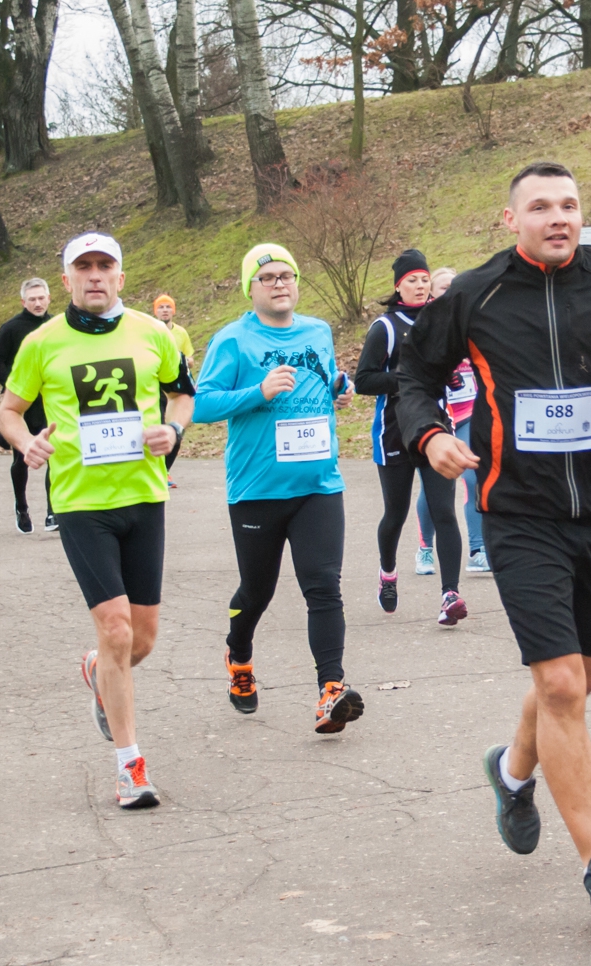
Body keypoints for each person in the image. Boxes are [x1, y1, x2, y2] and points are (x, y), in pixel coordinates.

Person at [396, 162, 591, 926]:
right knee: (562, 685)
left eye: (569, 205)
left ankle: (511, 770)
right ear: (512, 220)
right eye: (541, 207)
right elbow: (413, 375)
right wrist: (430, 434)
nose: (558, 217)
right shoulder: (475, 292)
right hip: (517, 512)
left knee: (576, 680)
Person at [0, 233, 195, 810]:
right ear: (66, 280)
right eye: (82, 267)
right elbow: (10, 410)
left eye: (105, 266)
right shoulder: (41, 343)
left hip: (143, 496)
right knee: (115, 630)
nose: (94, 275)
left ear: (121, 277)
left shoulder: (153, 333)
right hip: (81, 503)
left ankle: (96, 671)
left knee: (141, 639)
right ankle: (130, 768)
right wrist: (26, 441)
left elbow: (182, 395)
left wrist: (175, 430)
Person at [194, 243, 364, 732]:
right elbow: (200, 405)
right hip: (257, 489)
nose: (279, 284)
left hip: (318, 484)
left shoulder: (319, 330)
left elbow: (321, 376)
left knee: (323, 586)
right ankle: (239, 654)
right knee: (257, 590)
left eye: (286, 275)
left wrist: (337, 386)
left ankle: (331, 689)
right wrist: (258, 392)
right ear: (251, 288)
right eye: (267, 277)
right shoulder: (232, 341)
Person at [356, 249, 466, 625]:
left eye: (424, 279)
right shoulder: (385, 328)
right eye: (412, 280)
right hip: (395, 432)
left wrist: (449, 375)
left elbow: (449, 367)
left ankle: (450, 594)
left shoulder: (441, 320)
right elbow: (364, 380)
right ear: (398, 286)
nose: (420, 286)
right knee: (396, 513)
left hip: (436, 428)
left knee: (444, 511)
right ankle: (388, 573)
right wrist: (408, 380)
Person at [413, 266, 487, 577]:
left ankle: (478, 549)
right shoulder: (424, 326)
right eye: (444, 287)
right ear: (431, 293)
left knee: (472, 477)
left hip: (468, 414)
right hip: (438, 418)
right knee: (436, 488)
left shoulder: (473, 321)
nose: (451, 291)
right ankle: (425, 548)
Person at [0, 278, 55, 533]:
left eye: (41, 298)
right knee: (22, 458)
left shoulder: (57, 325)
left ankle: (52, 511)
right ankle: (22, 507)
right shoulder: (11, 328)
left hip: (50, 401)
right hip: (22, 406)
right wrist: (17, 386)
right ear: (23, 302)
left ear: (49, 298)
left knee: (54, 456)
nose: (37, 303)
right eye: (32, 299)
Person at [152, 294, 194, 480]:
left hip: (175, 387)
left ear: (173, 310)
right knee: (157, 427)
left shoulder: (181, 333)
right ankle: (157, 471)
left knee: (174, 428)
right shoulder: (149, 330)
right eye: (161, 307)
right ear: (156, 311)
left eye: (168, 307)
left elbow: (190, 359)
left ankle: (165, 470)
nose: (165, 310)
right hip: (155, 389)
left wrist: (182, 362)